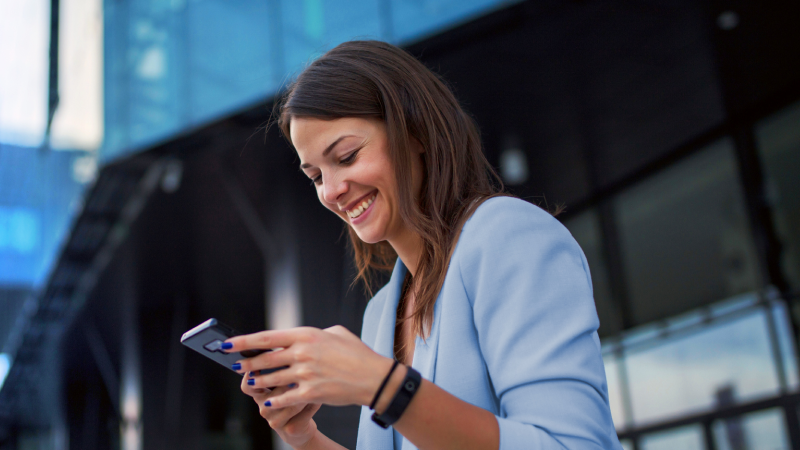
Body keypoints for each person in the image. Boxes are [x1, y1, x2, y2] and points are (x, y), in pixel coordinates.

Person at [222, 40, 621, 450]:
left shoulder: (508, 236)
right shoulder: (382, 313)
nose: (332, 191)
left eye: (347, 156)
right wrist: (304, 438)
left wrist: (380, 384)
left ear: (414, 131)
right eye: (316, 177)